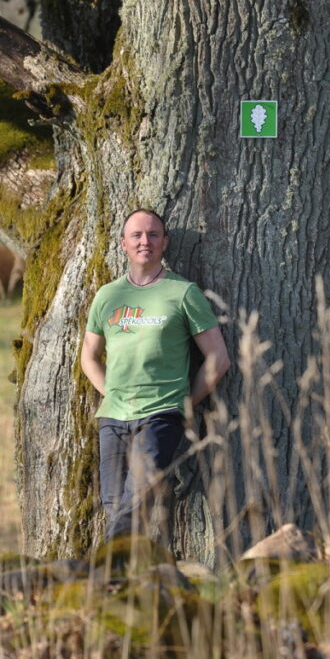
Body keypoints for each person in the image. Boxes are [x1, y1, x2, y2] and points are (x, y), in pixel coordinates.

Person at [81, 208, 230, 539]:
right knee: (114, 502)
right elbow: (89, 357)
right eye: (136, 235)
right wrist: (111, 393)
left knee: (135, 500)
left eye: (153, 234)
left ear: (165, 242)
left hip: (161, 414)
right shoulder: (108, 295)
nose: (144, 241)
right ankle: (131, 566)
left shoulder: (183, 293)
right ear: (123, 243)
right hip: (113, 416)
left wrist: (185, 403)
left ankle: (108, 567)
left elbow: (218, 358)